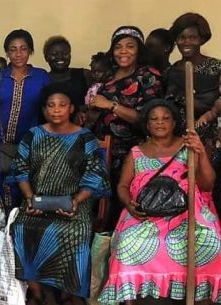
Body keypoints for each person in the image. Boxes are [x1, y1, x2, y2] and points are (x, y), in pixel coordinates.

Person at [98, 99, 221, 305]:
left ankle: (202, 296)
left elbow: (207, 184)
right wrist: (129, 203)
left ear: (174, 123)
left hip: (187, 211)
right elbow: (122, 186)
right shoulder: (137, 152)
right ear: (147, 125)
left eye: (166, 118)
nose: (160, 123)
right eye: (154, 119)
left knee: (210, 241)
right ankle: (136, 296)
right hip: (145, 214)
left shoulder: (189, 146)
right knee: (127, 243)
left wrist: (199, 152)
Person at [11, 86, 110, 305]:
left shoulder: (86, 138)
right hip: (36, 200)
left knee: (74, 231)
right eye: (51, 105)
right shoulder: (33, 135)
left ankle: (68, 292)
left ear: (71, 108)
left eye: (62, 105)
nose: (56, 110)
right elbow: (21, 170)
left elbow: (94, 176)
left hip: (75, 202)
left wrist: (76, 200)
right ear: (45, 109)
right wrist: (28, 197)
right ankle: (36, 291)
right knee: (21, 227)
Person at [89, 25, 163, 230]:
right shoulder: (109, 76)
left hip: (131, 154)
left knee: (125, 206)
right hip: (103, 151)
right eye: (118, 46)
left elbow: (148, 119)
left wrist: (111, 105)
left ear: (139, 49)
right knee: (101, 208)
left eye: (130, 46)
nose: (123, 51)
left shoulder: (148, 75)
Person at [0, 29, 50, 214]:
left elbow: (50, 109)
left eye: (23, 49)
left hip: (29, 142)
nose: (18, 54)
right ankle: (2, 231)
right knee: (0, 185)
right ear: (7, 52)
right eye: (13, 50)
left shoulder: (41, 77)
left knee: (26, 184)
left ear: (30, 51)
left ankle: (20, 228)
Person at [166, 12, 221, 212]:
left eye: (192, 37)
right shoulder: (172, 71)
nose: (186, 42)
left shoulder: (216, 67)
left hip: (208, 143)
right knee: (184, 193)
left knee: (208, 192)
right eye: (181, 37)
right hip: (179, 144)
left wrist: (210, 111)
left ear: (202, 39)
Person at [43, 35, 90, 109]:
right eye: (54, 54)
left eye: (65, 53)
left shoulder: (84, 75)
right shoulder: (43, 80)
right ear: (46, 57)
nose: (60, 57)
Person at [84, 52, 112, 131]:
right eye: (93, 71)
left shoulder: (106, 87)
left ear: (108, 71)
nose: (95, 74)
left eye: (99, 71)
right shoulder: (94, 85)